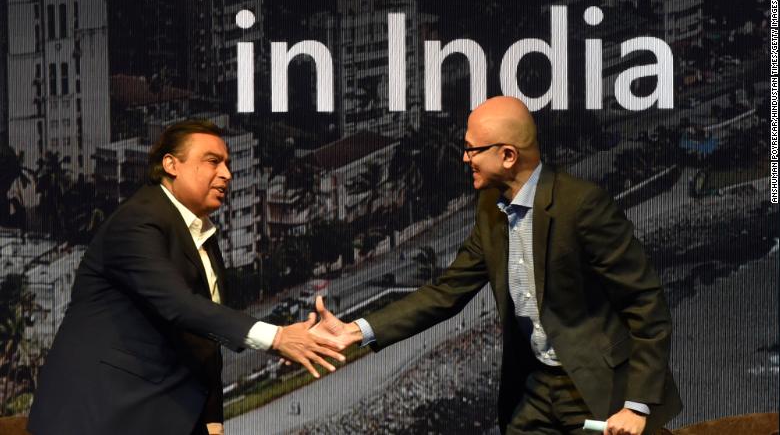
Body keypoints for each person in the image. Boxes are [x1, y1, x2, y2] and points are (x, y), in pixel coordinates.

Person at [313, 96, 682, 435]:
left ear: (507, 155)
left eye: (472, 149)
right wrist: (357, 331)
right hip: (532, 392)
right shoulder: (490, 208)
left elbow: (645, 303)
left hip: (595, 387)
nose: (464, 158)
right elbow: (447, 292)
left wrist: (636, 406)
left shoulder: (583, 206)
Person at [28, 120, 344, 435]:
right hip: (98, 417)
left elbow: (204, 339)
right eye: (212, 161)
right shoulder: (138, 221)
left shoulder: (203, 236)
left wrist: (213, 420)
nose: (227, 175)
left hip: (163, 415)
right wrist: (278, 338)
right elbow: (179, 306)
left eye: (228, 164)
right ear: (171, 164)